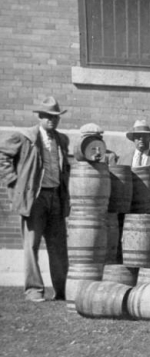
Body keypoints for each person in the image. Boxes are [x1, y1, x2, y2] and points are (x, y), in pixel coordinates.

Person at [0, 96, 70, 302]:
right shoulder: (25, 138)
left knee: (58, 246)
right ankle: (34, 290)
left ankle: (62, 291)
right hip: (35, 199)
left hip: (56, 197)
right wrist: (13, 181)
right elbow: (2, 156)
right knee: (31, 244)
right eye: (47, 116)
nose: (51, 120)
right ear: (39, 117)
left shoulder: (62, 140)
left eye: (55, 117)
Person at [118, 119, 150, 213]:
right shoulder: (123, 160)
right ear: (133, 139)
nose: (141, 139)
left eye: (144, 136)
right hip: (127, 210)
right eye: (138, 136)